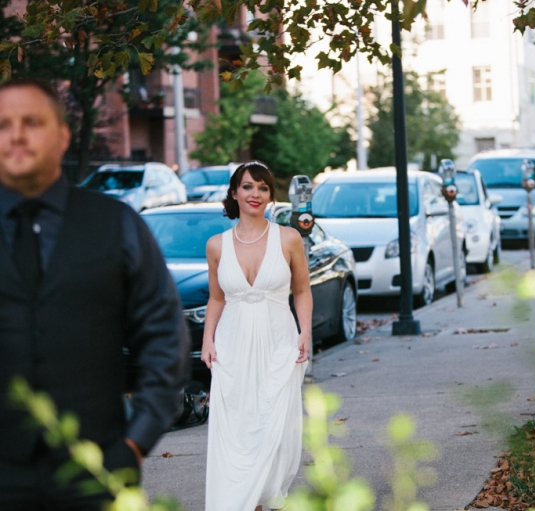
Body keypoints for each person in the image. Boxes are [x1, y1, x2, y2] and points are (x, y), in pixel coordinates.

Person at [0, 79, 189, 509]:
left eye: (32, 122)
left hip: (97, 470)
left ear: (63, 135)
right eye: (3, 124)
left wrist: (135, 442)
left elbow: (164, 337)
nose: (16, 134)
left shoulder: (117, 224)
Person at [202, 161, 312, 511]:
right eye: (248, 187)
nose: (255, 194)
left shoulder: (289, 238)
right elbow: (216, 298)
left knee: (273, 427)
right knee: (236, 430)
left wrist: (305, 331)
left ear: (270, 196)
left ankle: (263, 500)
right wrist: (207, 340)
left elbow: (303, 290)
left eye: (263, 188)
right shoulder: (217, 246)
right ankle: (239, 503)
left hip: (279, 342)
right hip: (232, 346)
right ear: (234, 193)